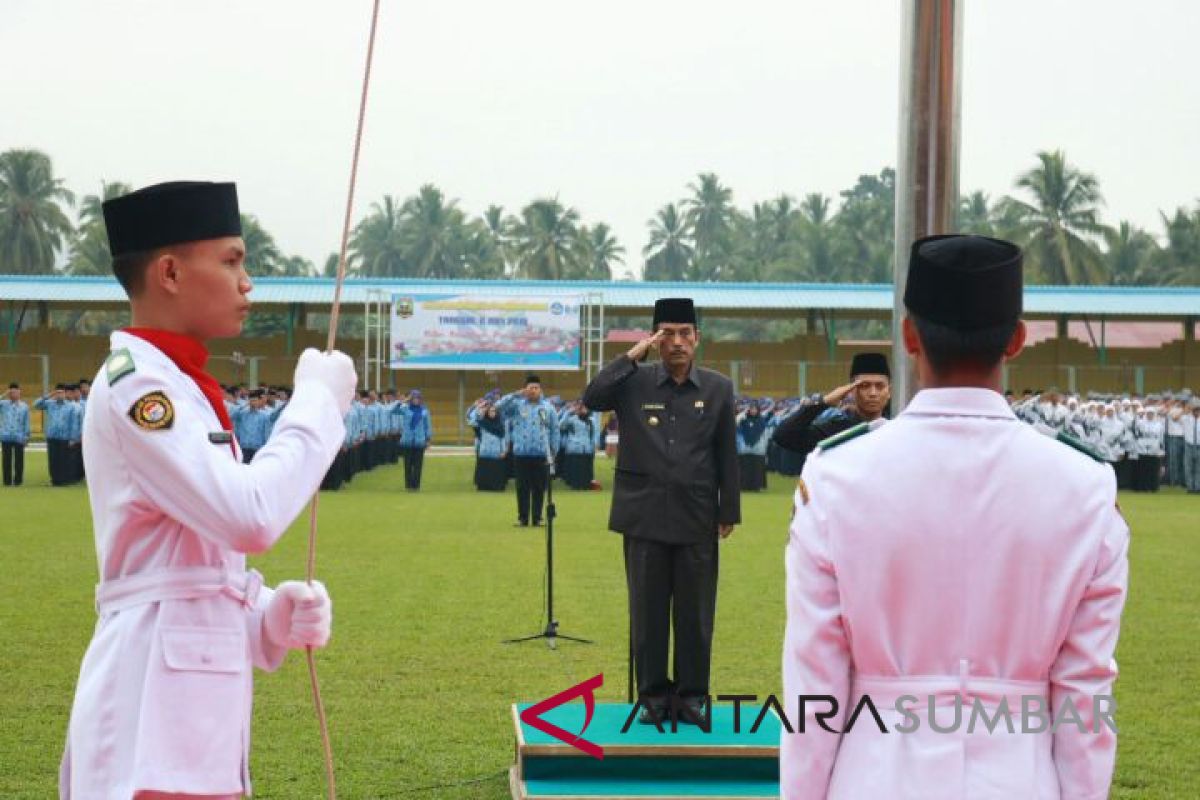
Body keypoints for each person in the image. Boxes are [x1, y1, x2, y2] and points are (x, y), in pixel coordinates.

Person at [782, 235, 1129, 799]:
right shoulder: (1084, 487)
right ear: (1016, 341)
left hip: (874, 774)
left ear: (909, 335)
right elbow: (1085, 692)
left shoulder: (837, 477)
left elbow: (813, 685)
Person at [60, 180, 358, 800]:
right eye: (230, 260)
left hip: (187, 709)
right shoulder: (138, 387)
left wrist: (267, 613)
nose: (247, 281)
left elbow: (188, 570)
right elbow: (247, 517)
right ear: (169, 272)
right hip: (152, 714)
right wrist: (315, 406)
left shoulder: (180, 383)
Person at [582, 297, 740, 724]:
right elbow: (592, 397)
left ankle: (692, 697)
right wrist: (632, 355)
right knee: (648, 613)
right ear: (654, 339)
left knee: (695, 613)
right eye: (666, 334)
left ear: (697, 339)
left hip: (697, 515)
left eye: (684, 334)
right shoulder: (632, 383)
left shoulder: (718, 388)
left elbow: (727, 451)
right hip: (644, 514)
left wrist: (729, 509)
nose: (676, 342)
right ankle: (653, 696)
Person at [771, 352, 891, 471]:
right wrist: (825, 402)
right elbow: (783, 436)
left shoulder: (894, 431)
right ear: (852, 390)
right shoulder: (834, 432)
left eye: (880, 386)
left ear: (889, 391)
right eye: (865, 386)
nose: (873, 393)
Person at [497, 375, 561, 526]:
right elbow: (498, 407)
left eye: (536, 388)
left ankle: (537, 518)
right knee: (522, 488)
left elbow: (555, 430)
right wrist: (514, 394)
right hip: (521, 454)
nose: (533, 391)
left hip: (541, 454)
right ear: (525, 389)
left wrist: (553, 451)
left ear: (540, 389)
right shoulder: (517, 406)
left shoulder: (548, 407)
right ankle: (523, 518)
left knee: (539, 488)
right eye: (530, 388)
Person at [34, 383, 75, 486]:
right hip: (52, 436)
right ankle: (54, 480)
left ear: (65, 394)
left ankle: (63, 480)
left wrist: (72, 438)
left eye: (62, 393)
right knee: (53, 460)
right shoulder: (50, 404)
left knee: (63, 459)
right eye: (58, 393)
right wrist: (49, 395)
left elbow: (72, 423)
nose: (60, 395)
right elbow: (36, 404)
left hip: (64, 437)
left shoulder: (70, 406)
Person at [468, 398, 509, 491]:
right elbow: (471, 421)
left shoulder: (500, 425)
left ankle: (497, 487)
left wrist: (504, 450)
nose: (492, 413)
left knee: (496, 470)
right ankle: (483, 487)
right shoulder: (482, 423)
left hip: (496, 452)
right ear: (487, 412)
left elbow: (503, 438)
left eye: (494, 411)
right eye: (490, 411)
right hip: (485, 451)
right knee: (484, 470)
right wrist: (478, 407)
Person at [395, 389, 433, 490]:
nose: (416, 400)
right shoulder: (406, 409)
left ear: (421, 399)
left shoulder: (424, 411)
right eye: (414, 398)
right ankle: (408, 485)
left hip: (419, 441)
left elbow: (427, 426)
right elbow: (393, 410)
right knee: (407, 465)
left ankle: (416, 486)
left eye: (417, 398)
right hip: (407, 441)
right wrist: (403, 401)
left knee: (418, 465)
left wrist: (428, 439)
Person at [559, 400, 599, 490]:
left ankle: (586, 485)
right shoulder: (572, 419)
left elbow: (595, 433)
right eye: (580, 407)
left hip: (587, 448)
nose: (582, 410)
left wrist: (595, 445)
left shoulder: (591, 420)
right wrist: (568, 412)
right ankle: (575, 485)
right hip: (574, 447)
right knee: (576, 468)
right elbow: (561, 426)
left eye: (584, 408)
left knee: (586, 468)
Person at [735, 399, 772, 491]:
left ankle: (756, 486)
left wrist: (765, 446)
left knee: (757, 469)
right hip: (744, 448)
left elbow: (765, 433)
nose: (753, 411)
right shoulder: (743, 419)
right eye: (751, 409)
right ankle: (744, 486)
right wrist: (739, 418)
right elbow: (737, 429)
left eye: (755, 409)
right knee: (745, 468)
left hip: (758, 449)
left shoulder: (761, 420)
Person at [1, 381, 31, 486]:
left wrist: (27, 436)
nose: (14, 394)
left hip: (19, 436)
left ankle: (18, 481)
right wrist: (5, 394)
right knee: (6, 460)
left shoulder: (24, 406)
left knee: (19, 460)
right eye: (12, 392)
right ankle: (7, 481)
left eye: (16, 392)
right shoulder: (3, 404)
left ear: (19, 392)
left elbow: (26, 422)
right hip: (6, 436)